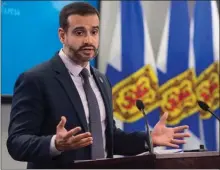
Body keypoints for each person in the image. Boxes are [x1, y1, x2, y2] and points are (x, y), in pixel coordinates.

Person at [7, 2, 190, 169]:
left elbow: (108, 137)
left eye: (94, 32)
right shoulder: (35, 79)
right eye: (79, 33)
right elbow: (17, 142)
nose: (89, 40)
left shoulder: (101, 80)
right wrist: (55, 143)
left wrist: (148, 139)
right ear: (62, 35)